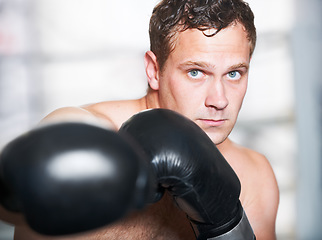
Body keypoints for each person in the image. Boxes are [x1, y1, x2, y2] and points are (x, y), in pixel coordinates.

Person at [0, 0, 279, 239]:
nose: (219, 100)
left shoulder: (255, 177)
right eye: (196, 72)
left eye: (234, 74)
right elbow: (11, 201)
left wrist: (227, 224)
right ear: (153, 70)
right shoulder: (83, 128)